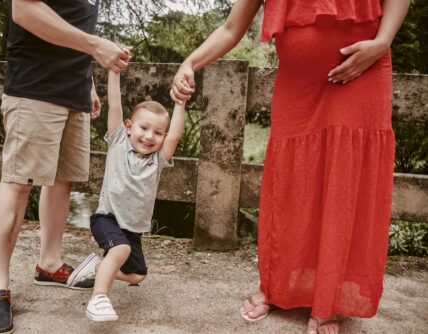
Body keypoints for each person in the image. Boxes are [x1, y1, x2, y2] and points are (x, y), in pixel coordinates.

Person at [170, 0, 409, 333]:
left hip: (362, 70)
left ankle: (326, 304)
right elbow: (231, 28)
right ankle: (277, 287)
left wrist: (383, 41)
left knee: (344, 186)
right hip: (299, 86)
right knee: (291, 186)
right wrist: (190, 62)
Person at [0, 0, 132, 333]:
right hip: (35, 85)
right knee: (19, 182)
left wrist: (87, 81)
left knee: (62, 180)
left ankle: (49, 263)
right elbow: (24, 10)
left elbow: (74, 22)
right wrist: (95, 47)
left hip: (73, 89)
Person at [77, 70, 185, 322]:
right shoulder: (118, 142)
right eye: (144, 128)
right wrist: (113, 73)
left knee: (138, 275)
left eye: (158, 132)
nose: (149, 136)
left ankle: (97, 268)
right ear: (128, 127)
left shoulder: (157, 160)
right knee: (120, 248)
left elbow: (176, 135)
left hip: (132, 228)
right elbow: (115, 103)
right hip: (107, 217)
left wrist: (180, 103)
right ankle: (98, 298)